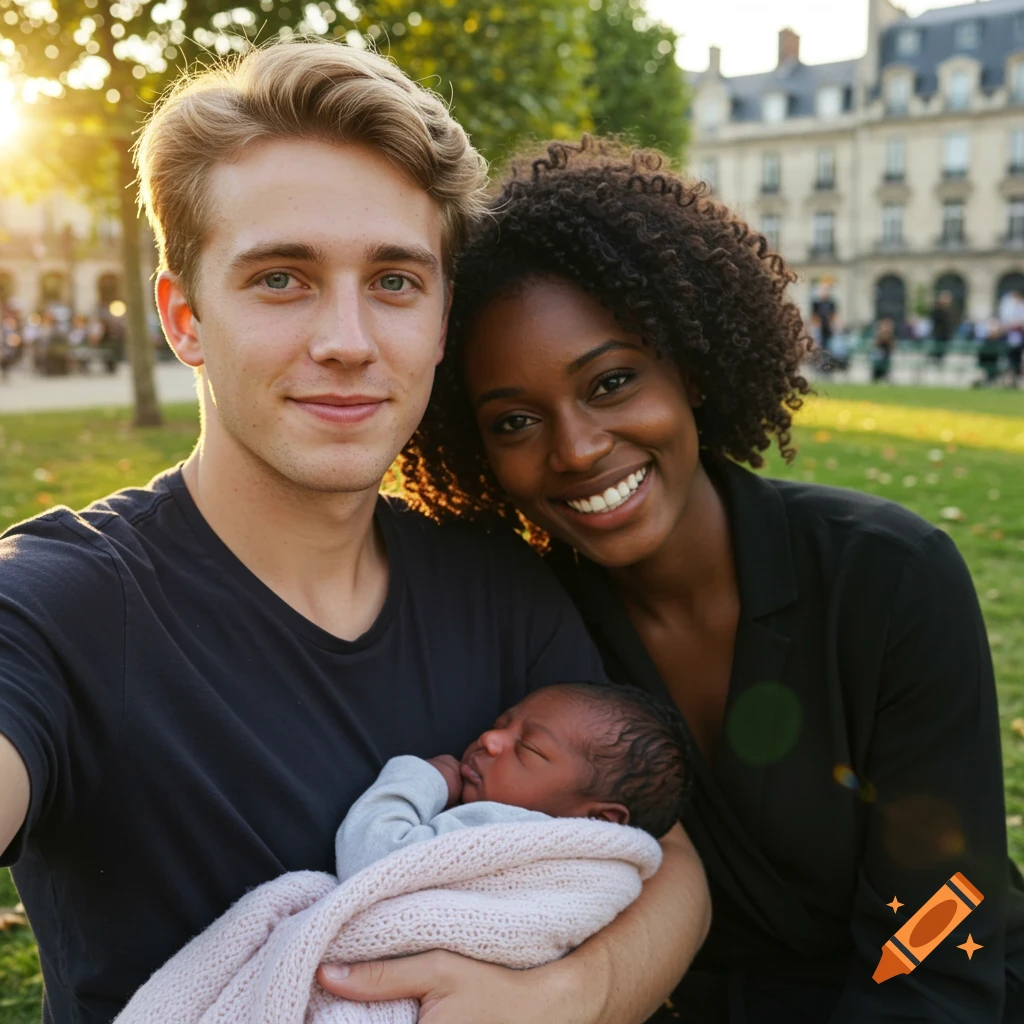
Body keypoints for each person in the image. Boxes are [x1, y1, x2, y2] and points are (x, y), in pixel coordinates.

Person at [0, 51, 710, 1024]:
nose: (348, 338)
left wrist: (565, 995)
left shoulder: (498, 581)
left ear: (440, 319)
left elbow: (664, 858)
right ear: (184, 316)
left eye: (394, 280)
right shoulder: (63, 604)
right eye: (282, 277)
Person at [400, 137, 1024, 1023]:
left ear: (688, 367)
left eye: (612, 381)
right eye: (514, 421)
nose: (576, 448)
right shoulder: (532, 617)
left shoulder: (888, 577)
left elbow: (938, 929)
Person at [336, 682, 692, 881]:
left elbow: (372, 860)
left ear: (598, 820)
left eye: (528, 749)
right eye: (502, 723)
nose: (491, 738)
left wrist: (425, 779)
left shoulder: (507, 832)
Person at [998, 287, 1024, 387]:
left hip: (1019, 336)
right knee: (1009, 358)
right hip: (1009, 336)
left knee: (1016, 359)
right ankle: (1009, 378)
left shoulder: (1021, 305)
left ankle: (1014, 378)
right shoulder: (1008, 305)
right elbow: (1006, 320)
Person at [929, 290, 957, 367]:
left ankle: (939, 360)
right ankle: (935, 359)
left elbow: (952, 322)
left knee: (943, 351)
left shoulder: (950, 309)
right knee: (937, 349)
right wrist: (939, 307)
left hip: (946, 334)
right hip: (939, 334)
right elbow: (934, 318)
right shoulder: (938, 309)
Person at [871, 316, 895, 382]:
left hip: (885, 356)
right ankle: (878, 375)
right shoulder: (879, 336)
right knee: (877, 355)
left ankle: (882, 375)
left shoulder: (890, 337)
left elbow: (892, 347)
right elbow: (874, 345)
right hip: (879, 356)